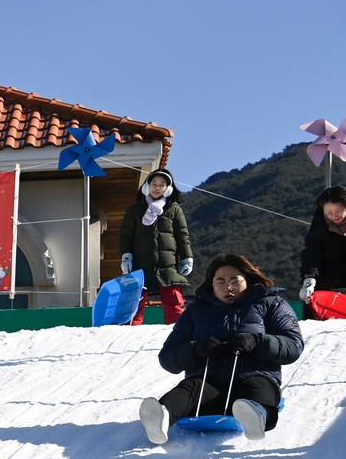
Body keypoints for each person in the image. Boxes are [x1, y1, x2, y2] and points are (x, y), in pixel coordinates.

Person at [139, 253, 302, 444]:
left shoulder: (270, 304)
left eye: (234, 280)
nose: (228, 287)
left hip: (254, 374)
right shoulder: (196, 312)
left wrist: (257, 342)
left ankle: (256, 415)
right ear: (212, 285)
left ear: (247, 279)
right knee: (189, 390)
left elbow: (293, 345)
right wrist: (196, 350)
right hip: (208, 381)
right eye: (220, 281)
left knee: (259, 388)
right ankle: (161, 417)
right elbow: (168, 358)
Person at [117, 168, 194, 324]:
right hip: (141, 263)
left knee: (173, 298)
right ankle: (132, 328)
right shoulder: (134, 210)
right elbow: (125, 236)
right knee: (135, 300)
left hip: (168, 265)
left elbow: (182, 236)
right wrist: (126, 256)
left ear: (168, 189)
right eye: (154, 184)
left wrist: (187, 257)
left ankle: (177, 329)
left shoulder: (174, 209)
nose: (157, 187)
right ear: (147, 186)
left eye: (162, 184)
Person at [297, 184, 346, 314]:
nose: (334, 216)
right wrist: (309, 277)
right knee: (314, 300)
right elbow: (312, 249)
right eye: (329, 213)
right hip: (328, 268)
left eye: (339, 211)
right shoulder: (320, 220)